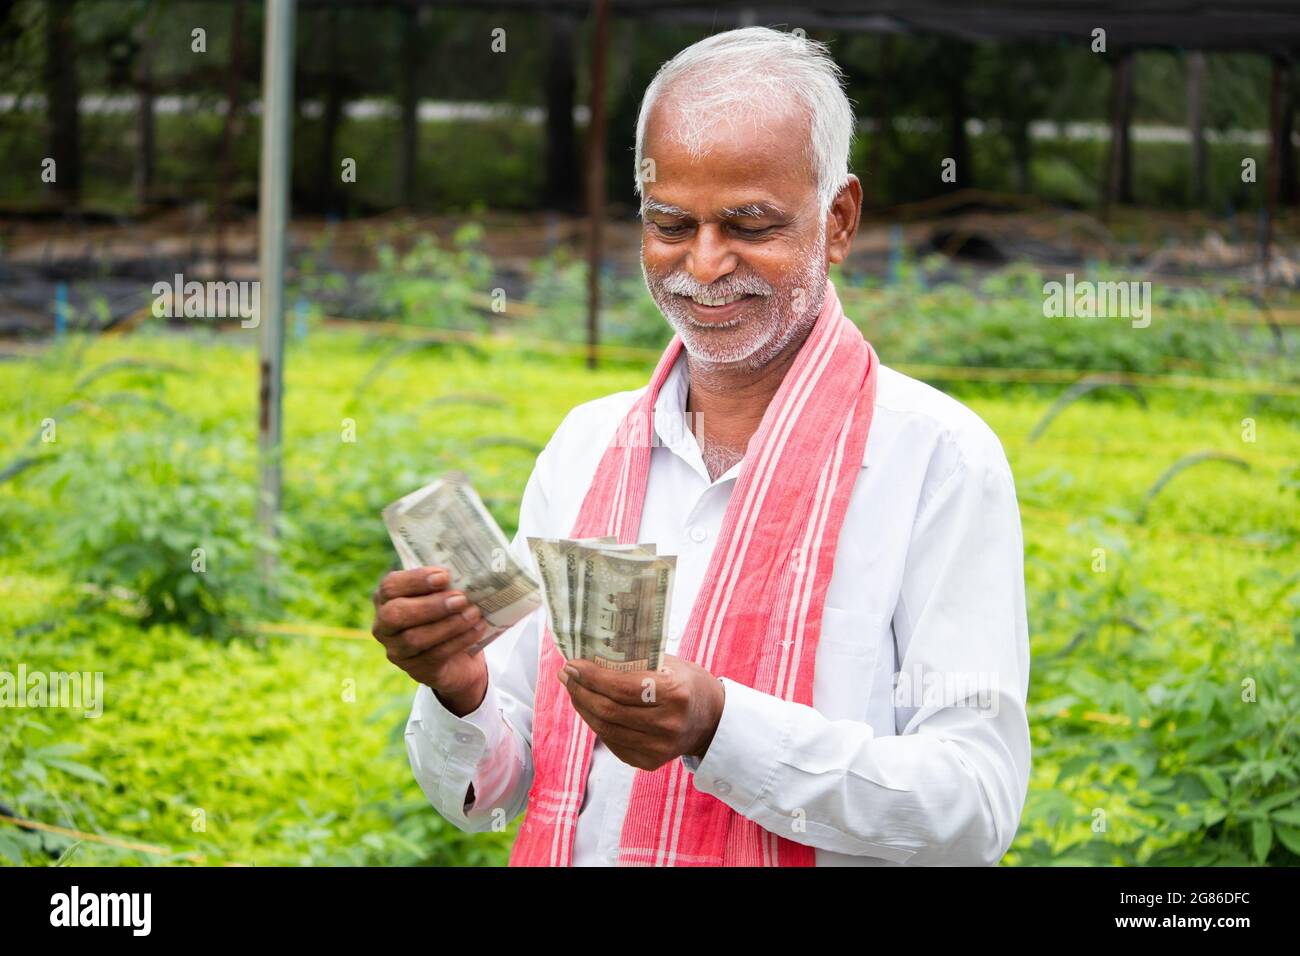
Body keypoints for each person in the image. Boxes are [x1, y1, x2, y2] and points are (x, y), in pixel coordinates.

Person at [371, 26, 1030, 866]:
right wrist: (459, 692)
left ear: (838, 220)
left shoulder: (935, 460)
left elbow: (973, 803)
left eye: (750, 225)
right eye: (671, 223)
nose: (705, 263)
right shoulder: (588, 447)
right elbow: (493, 793)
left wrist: (722, 726)